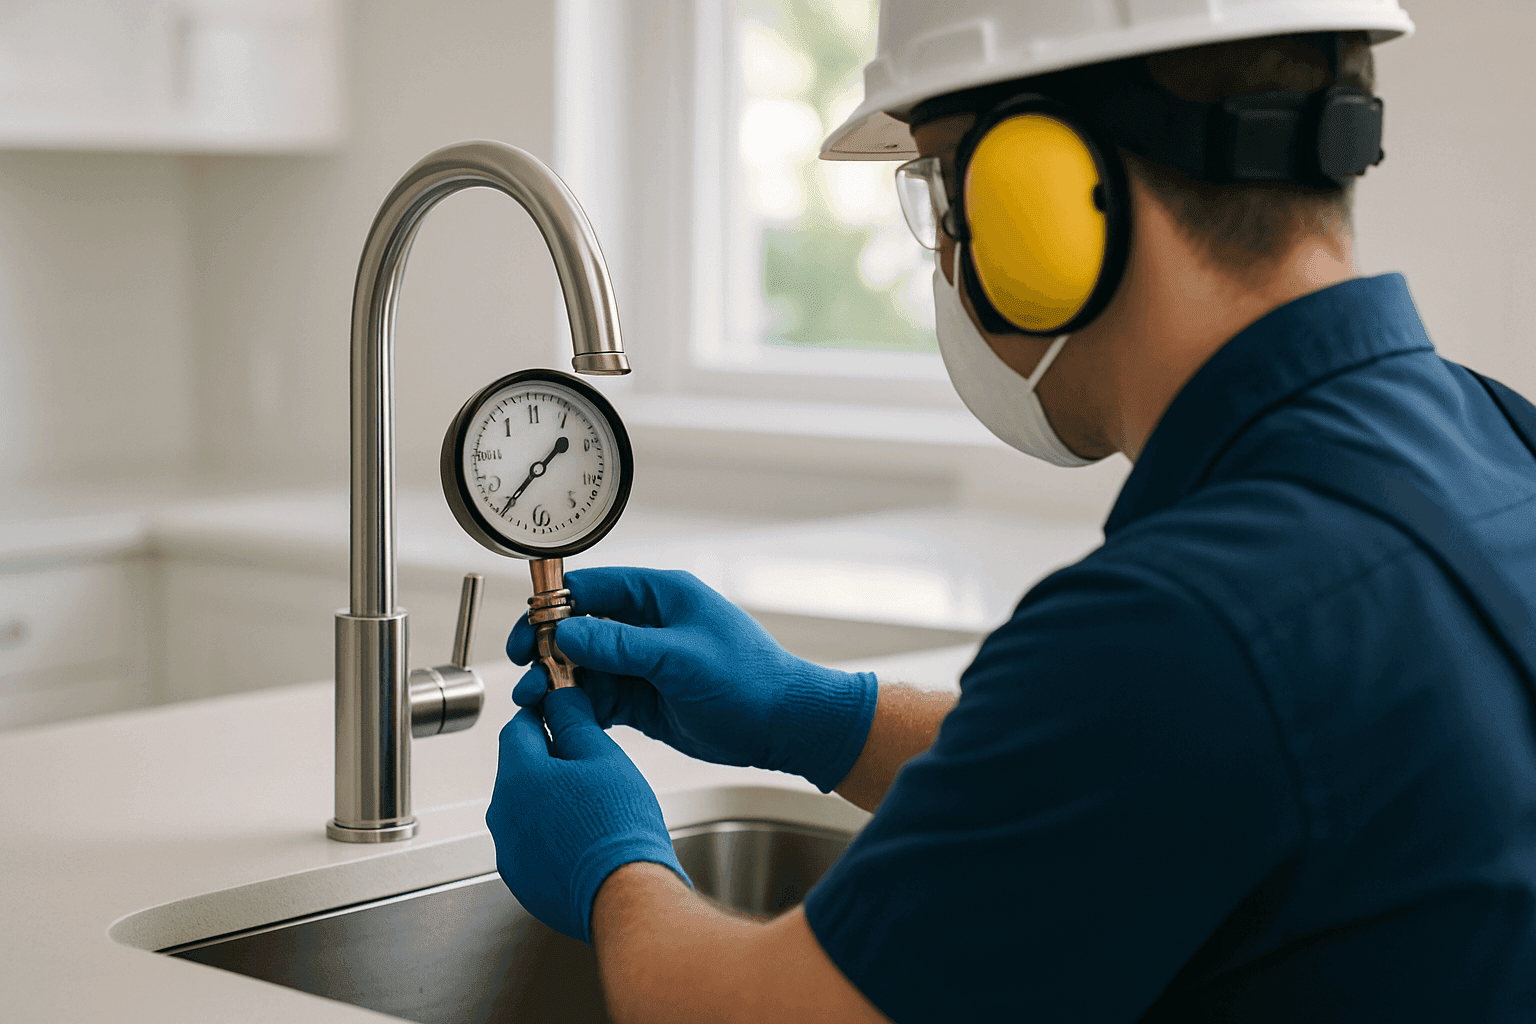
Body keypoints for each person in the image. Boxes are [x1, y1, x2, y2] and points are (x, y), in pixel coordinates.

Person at [486, 1, 1536, 1019]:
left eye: (946, 196)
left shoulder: (1182, 618)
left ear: (1043, 187)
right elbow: (1156, 772)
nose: (945, 254)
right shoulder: (1503, 439)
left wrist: (608, 863)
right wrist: (813, 714)